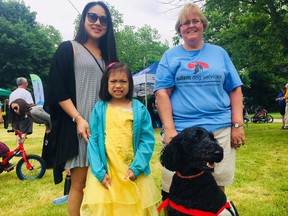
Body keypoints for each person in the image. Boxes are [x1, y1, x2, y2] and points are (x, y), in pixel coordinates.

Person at [154, 3, 245, 215]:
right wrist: (169, 130)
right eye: (186, 23)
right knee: (171, 189)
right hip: (181, 134)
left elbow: (235, 89)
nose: (191, 25)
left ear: (203, 25)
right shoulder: (170, 56)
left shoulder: (219, 53)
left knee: (216, 185)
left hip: (218, 130)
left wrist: (237, 124)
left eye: (195, 21)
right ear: (180, 29)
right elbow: (162, 94)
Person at [46, 2, 118, 215]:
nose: (97, 22)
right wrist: (78, 118)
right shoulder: (69, 48)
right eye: (92, 17)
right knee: (80, 184)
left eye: (103, 19)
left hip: (107, 128)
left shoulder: (110, 57)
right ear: (84, 18)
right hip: (82, 128)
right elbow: (57, 90)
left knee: (106, 182)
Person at [80, 62, 161, 215]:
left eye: (123, 81)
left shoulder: (139, 109)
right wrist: (98, 172)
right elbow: (93, 140)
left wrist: (136, 168)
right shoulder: (99, 109)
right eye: (113, 81)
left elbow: (147, 141)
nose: (118, 85)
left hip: (132, 171)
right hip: (107, 172)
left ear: (130, 84)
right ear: (106, 84)